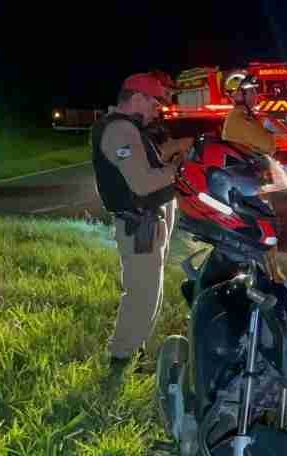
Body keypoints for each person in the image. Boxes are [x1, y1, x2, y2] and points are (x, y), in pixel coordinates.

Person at [91, 72, 192, 367]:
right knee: (142, 293)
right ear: (137, 98)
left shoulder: (130, 127)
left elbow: (149, 162)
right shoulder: (120, 130)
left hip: (145, 220)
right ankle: (123, 356)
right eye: (154, 103)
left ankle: (133, 350)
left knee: (149, 290)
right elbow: (143, 183)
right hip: (139, 224)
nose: (157, 110)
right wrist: (181, 170)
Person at [221, 71, 280, 155]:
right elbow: (268, 146)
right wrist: (269, 132)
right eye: (251, 91)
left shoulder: (244, 116)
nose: (255, 95)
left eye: (255, 91)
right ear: (239, 95)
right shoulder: (239, 120)